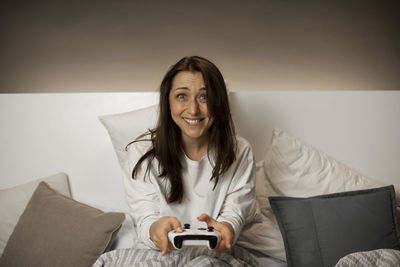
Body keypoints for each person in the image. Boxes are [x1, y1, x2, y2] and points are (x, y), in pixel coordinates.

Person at [123, 56, 256, 256]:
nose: (193, 110)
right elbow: (145, 220)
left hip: (213, 257)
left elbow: (234, 212)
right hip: (158, 256)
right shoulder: (141, 153)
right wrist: (156, 229)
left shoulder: (240, 151)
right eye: (182, 96)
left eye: (205, 97)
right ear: (168, 101)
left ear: (218, 102)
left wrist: (228, 229)